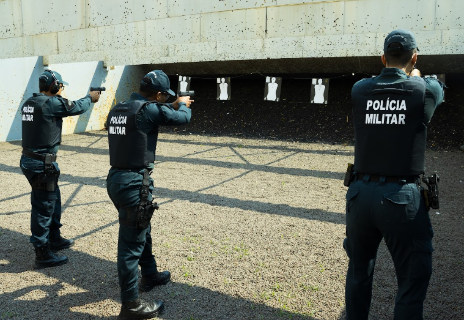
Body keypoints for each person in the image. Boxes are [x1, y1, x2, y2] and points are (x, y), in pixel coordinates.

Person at [344, 29, 444, 320]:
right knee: (412, 281)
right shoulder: (424, 90)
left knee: (358, 274)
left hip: (360, 195)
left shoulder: (360, 90)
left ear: (382, 57)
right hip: (401, 196)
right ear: (414, 57)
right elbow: (434, 86)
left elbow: (375, 85)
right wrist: (415, 77)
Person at [106, 70, 193, 319]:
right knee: (130, 245)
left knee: (141, 229)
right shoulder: (149, 109)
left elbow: (144, 118)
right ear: (158, 94)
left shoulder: (120, 108)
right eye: (163, 97)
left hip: (116, 179)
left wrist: (167, 104)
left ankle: (150, 274)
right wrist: (183, 104)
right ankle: (131, 305)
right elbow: (181, 119)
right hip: (135, 183)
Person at [20, 69, 101, 269]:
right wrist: (90, 98)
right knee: (43, 207)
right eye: (60, 86)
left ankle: (54, 238)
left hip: (32, 160)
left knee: (52, 200)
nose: (61, 89)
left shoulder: (29, 103)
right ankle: (42, 253)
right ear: (54, 86)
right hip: (42, 163)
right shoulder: (51, 103)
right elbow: (77, 107)